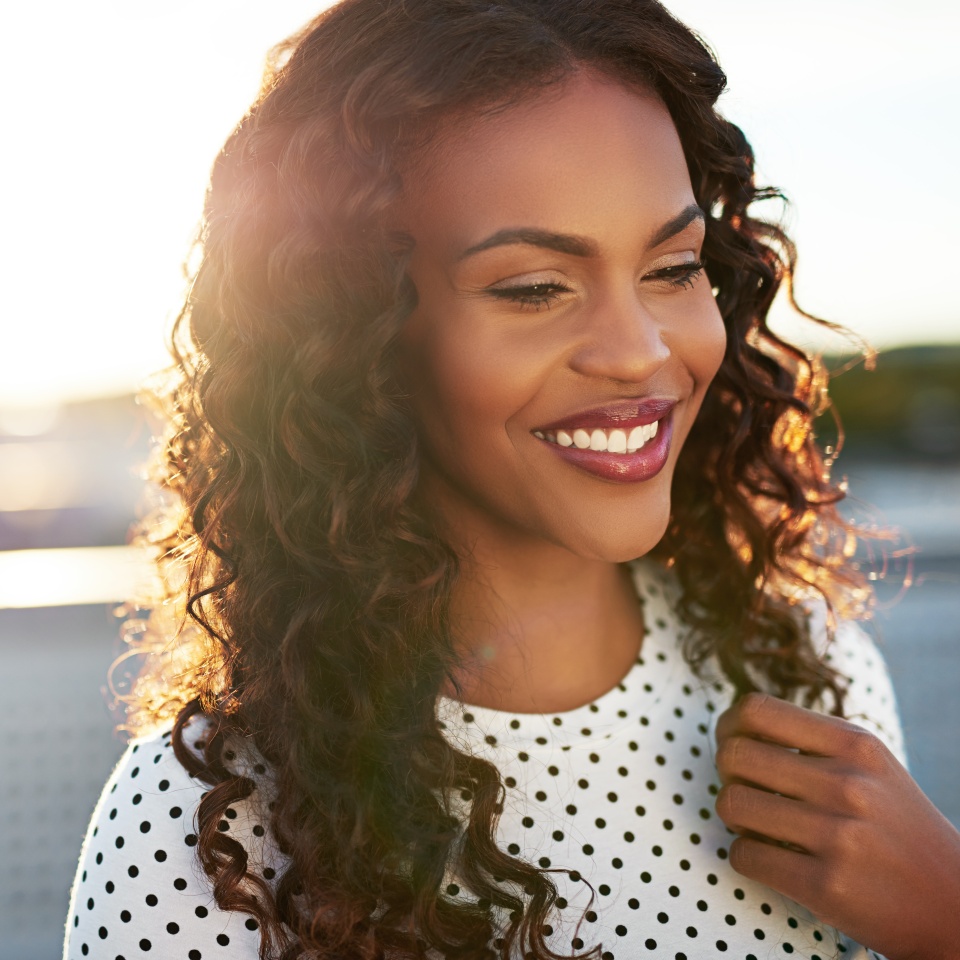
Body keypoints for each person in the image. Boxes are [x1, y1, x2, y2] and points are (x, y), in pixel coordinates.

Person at [63, 1, 960, 958]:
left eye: (674, 267)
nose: (640, 352)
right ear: (349, 341)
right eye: (534, 287)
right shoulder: (199, 832)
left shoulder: (809, 671)